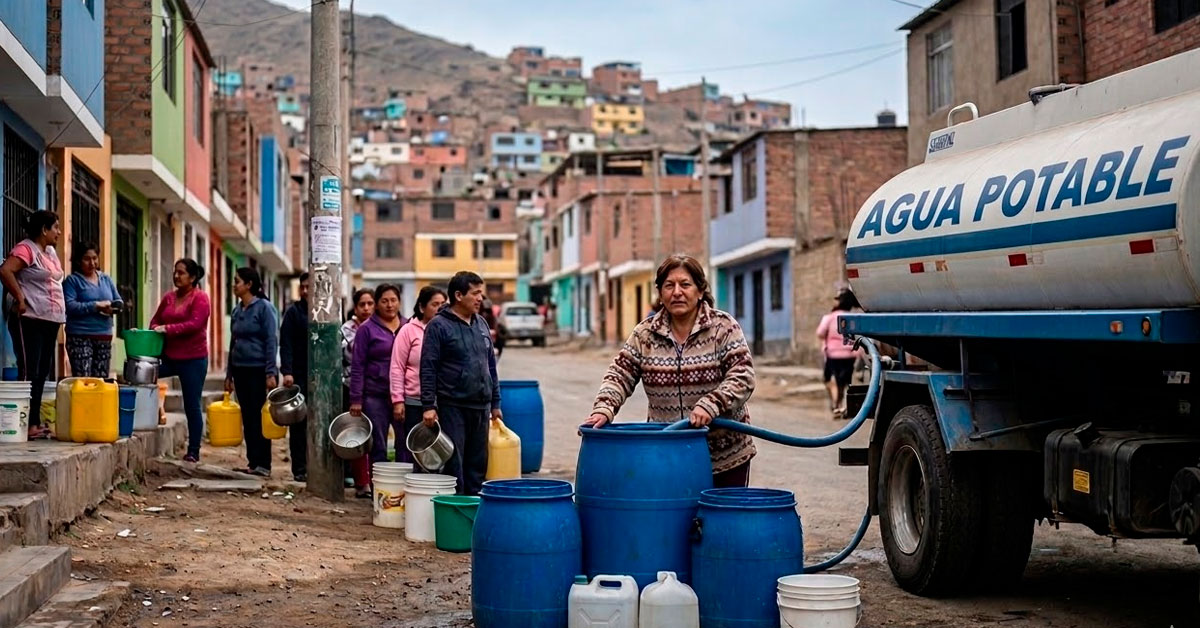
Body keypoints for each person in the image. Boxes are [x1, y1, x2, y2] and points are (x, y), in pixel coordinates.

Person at [583, 255, 757, 488]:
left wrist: (712, 403)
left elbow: (743, 376)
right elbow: (620, 374)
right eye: (669, 285)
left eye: (685, 284)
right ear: (660, 293)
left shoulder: (723, 327)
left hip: (724, 455)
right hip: (668, 453)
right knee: (674, 521)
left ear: (700, 290)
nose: (677, 292)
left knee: (722, 522)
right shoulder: (644, 334)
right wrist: (604, 408)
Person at [419, 271, 502, 496]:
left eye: (480, 294)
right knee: (455, 463)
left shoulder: (481, 324)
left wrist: (495, 402)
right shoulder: (438, 326)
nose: (480, 299)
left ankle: (473, 515)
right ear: (458, 295)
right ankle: (455, 514)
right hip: (452, 405)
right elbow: (428, 367)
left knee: (477, 465)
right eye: (475, 294)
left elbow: (490, 366)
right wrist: (429, 405)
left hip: (481, 406)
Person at [0, 211, 65, 439]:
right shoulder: (26, 249)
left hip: (50, 320)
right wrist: (19, 298)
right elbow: (6, 270)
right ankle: (25, 424)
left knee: (42, 372)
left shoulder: (50, 252)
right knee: (29, 371)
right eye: (55, 227)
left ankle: (34, 423)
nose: (58, 232)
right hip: (30, 319)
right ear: (44, 230)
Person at [150, 259, 211, 462]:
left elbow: (194, 324)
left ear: (192, 278)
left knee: (192, 404)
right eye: (175, 272)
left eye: (182, 273)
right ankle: (152, 415)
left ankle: (194, 450)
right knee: (144, 376)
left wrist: (168, 329)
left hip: (193, 358)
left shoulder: (201, 298)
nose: (176, 276)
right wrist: (154, 329)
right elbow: (156, 320)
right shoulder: (168, 298)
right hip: (168, 355)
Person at [225, 267, 278, 477]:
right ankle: (252, 461)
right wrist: (229, 374)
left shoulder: (264, 308)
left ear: (249, 285)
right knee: (247, 417)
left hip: (258, 370)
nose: (234, 285)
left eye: (237, 281)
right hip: (240, 369)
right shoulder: (237, 311)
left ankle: (264, 463)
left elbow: (271, 341)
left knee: (259, 417)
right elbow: (233, 342)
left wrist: (270, 372)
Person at [349, 284, 405, 483]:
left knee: (404, 445)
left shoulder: (407, 327)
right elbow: (358, 366)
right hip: (374, 396)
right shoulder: (366, 330)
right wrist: (356, 398)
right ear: (378, 305)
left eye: (393, 300)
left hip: (402, 397)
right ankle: (379, 494)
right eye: (384, 301)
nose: (390, 305)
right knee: (378, 446)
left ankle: (401, 492)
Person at [390, 286, 447, 464]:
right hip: (414, 401)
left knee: (441, 451)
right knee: (415, 450)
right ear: (422, 307)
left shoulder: (448, 329)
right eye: (435, 304)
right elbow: (397, 366)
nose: (439, 308)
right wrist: (398, 400)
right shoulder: (408, 331)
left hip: (444, 400)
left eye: (443, 304)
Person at [62, 242, 123, 378]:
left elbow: (118, 301)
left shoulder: (106, 279)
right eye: (87, 259)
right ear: (78, 261)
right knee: (84, 380)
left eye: (95, 258)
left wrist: (113, 309)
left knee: (101, 381)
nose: (92, 263)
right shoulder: (72, 281)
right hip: (80, 336)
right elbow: (70, 306)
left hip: (103, 336)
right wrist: (95, 305)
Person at [341, 288, 375, 496]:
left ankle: (377, 480)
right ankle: (361, 482)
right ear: (355, 307)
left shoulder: (385, 327)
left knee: (377, 439)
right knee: (358, 436)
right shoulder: (346, 330)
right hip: (352, 388)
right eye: (362, 304)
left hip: (380, 389)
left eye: (370, 304)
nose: (366, 308)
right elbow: (347, 357)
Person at [279, 272, 311, 482]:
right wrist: (287, 372)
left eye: (310, 286)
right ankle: (299, 468)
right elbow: (286, 343)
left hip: (324, 378)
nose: (306, 290)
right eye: (303, 287)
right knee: (299, 423)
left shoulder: (329, 311)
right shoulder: (293, 313)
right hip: (298, 376)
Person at [816, 289, 862, 420]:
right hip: (850, 354)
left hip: (833, 354)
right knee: (845, 381)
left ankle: (837, 405)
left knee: (830, 379)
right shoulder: (851, 317)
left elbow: (820, 333)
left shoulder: (830, 317)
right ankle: (844, 406)